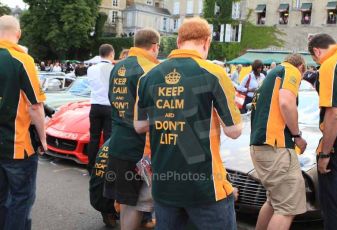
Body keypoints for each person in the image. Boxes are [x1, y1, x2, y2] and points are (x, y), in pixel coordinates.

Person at [134, 17, 242, 230]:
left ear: (178, 42)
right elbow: (234, 131)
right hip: (206, 186)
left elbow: (139, 126)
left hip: (164, 184)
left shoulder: (148, 77)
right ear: (207, 41)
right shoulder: (214, 73)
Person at [104, 28, 160, 230]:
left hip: (118, 142)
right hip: (142, 147)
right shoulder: (150, 69)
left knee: (127, 204)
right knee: (149, 203)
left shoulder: (117, 67)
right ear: (155, 47)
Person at [250, 54, 307, 230]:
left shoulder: (270, 77)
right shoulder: (290, 70)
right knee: (287, 208)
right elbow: (286, 103)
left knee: (274, 202)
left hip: (260, 146)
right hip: (276, 147)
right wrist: (297, 136)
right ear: (302, 68)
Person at [0, 15, 47, 230]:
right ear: (18, 33)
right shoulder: (21, 59)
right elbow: (35, 107)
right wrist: (44, 140)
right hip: (16, 146)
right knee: (21, 199)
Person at [308, 33, 337, 230]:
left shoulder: (331, 64)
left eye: (315, 60)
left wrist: (324, 154)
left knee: (335, 210)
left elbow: (334, 113)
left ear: (317, 51)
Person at [87, 44, 115, 174]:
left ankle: (91, 165)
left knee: (94, 137)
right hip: (108, 106)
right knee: (108, 137)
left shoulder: (91, 69)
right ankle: (106, 166)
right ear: (111, 54)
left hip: (95, 105)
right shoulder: (113, 69)